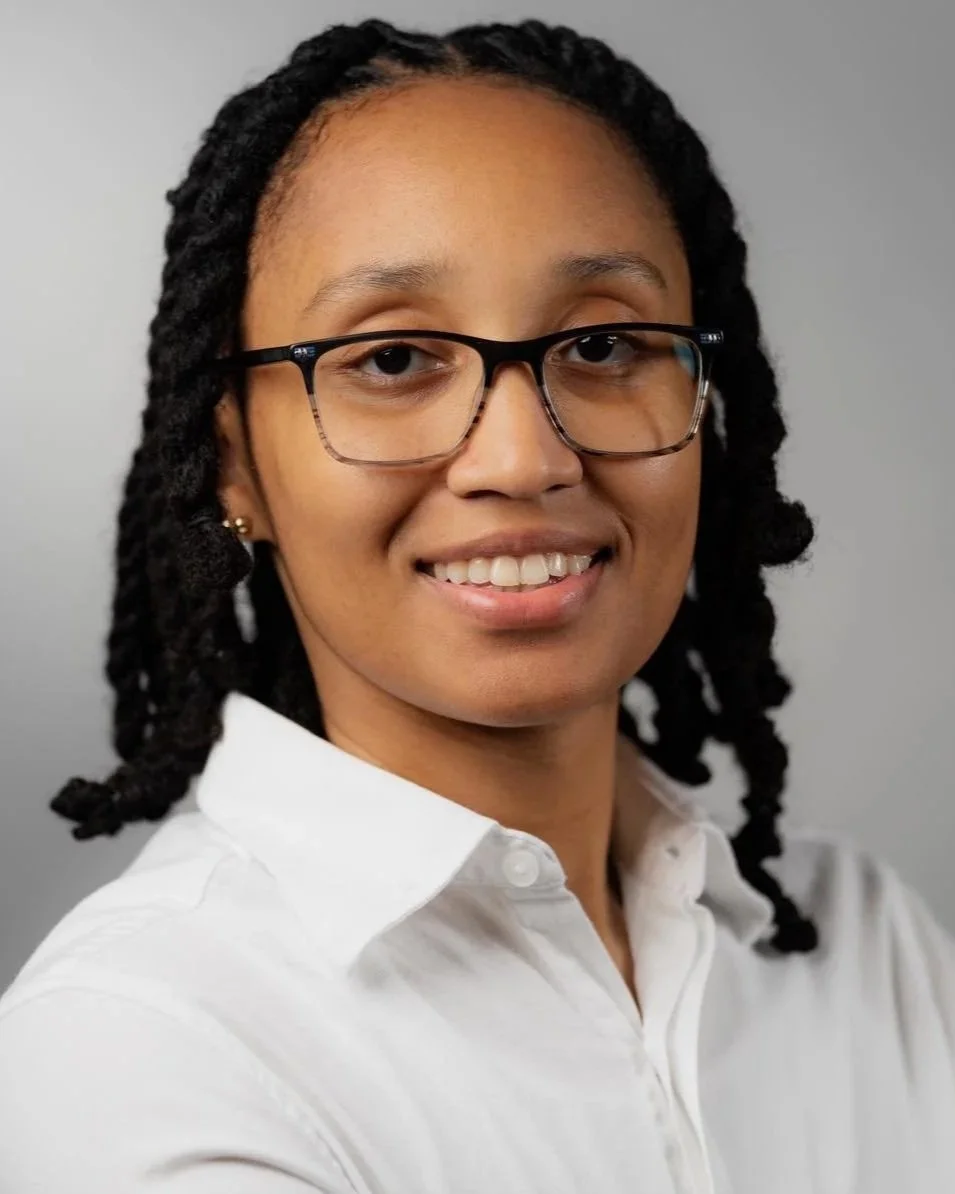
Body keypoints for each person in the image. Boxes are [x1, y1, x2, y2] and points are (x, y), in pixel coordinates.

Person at [0, 16, 952, 1193]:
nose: (523, 457)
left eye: (603, 342)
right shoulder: (143, 1042)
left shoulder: (867, 947)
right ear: (233, 466)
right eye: (392, 360)